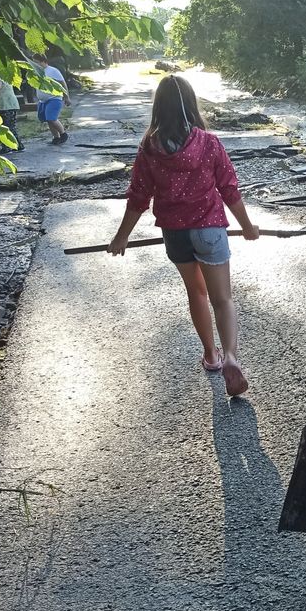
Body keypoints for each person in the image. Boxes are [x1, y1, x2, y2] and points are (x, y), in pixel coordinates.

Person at [107, 75, 259, 397]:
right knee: (223, 298)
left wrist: (121, 237)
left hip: (175, 235)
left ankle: (211, 356)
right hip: (210, 231)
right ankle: (230, 356)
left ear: (158, 108)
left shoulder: (150, 147)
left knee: (197, 294)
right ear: (191, 104)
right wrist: (246, 225)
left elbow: (138, 196)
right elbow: (229, 188)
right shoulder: (208, 142)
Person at [31, 53, 70, 145]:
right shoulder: (36, 72)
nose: (35, 64)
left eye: (36, 62)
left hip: (54, 98)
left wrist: (66, 96)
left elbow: (62, 83)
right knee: (48, 119)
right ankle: (56, 137)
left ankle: (63, 134)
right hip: (43, 100)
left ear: (43, 61)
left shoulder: (53, 71)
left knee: (51, 118)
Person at [0, 68, 24, 153]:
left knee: (6, 127)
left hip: (5, 104)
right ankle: (17, 145)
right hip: (0, 105)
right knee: (8, 126)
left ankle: (8, 146)